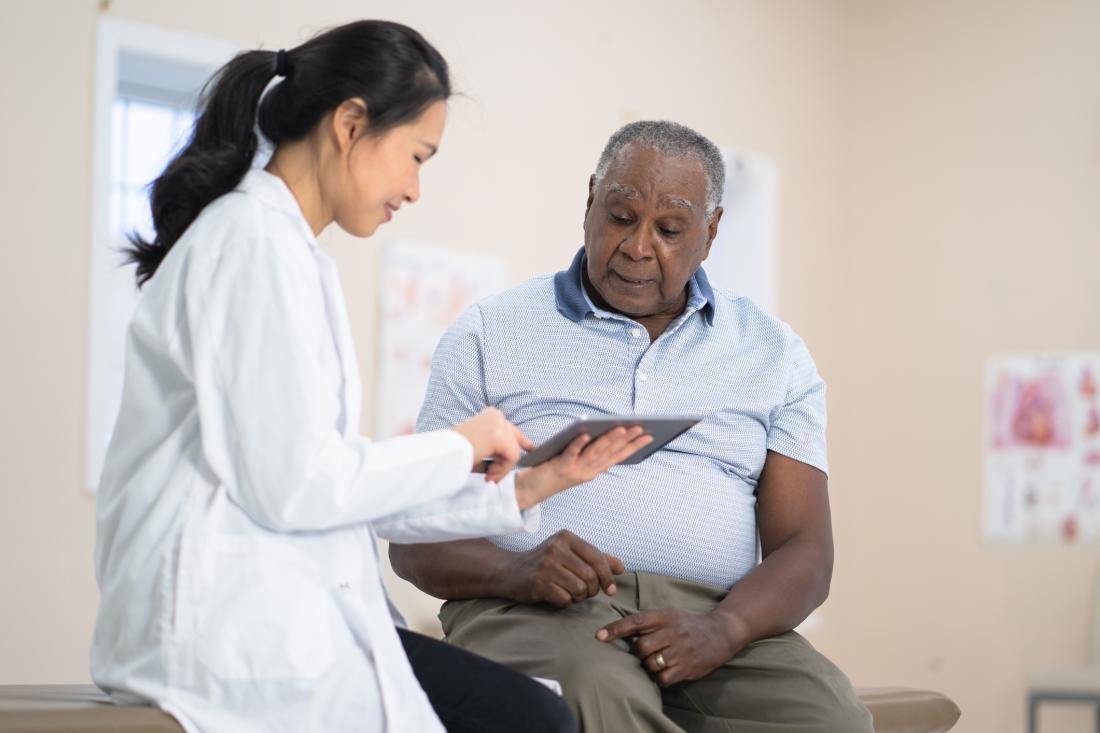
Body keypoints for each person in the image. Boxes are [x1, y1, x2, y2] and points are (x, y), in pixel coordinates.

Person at [90, 20, 652, 733]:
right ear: (351, 124)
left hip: (274, 616)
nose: (415, 189)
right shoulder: (251, 246)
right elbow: (300, 483)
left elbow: (332, 482)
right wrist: (459, 443)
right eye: (416, 155)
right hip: (222, 628)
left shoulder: (285, 251)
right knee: (532, 718)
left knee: (530, 713)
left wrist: (531, 483)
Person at [390, 120, 875, 732]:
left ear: (711, 231)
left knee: (830, 718)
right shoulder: (491, 332)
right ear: (590, 201)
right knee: (594, 691)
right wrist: (519, 571)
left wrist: (724, 628)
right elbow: (414, 540)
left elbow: (805, 548)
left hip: (717, 620)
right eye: (621, 216)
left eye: (670, 229)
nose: (639, 246)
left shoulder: (774, 354)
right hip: (529, 609)